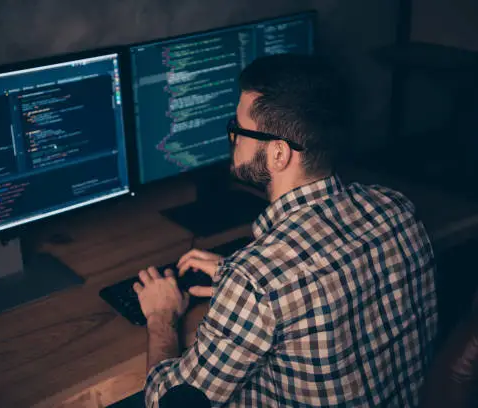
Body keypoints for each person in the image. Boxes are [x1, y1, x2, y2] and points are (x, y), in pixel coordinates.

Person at [133, 54, 438, 407]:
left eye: (238, 130)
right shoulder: (395, 209)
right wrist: (234, 277)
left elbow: (164, 403)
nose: (233, 139)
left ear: (278, 154)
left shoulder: (256, 280)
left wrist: (161, 316)